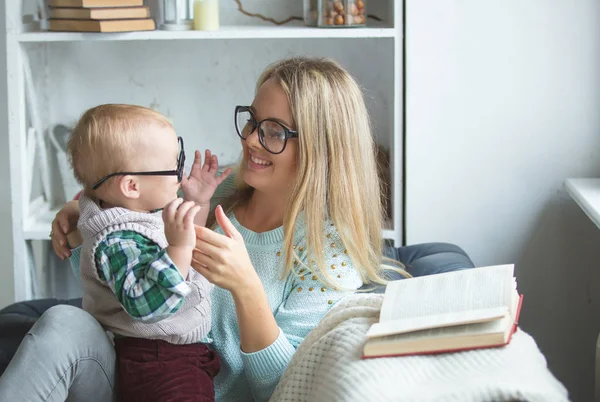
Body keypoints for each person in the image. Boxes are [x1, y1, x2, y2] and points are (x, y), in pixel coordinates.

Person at [0, 56, 404, 402]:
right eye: (252, 120)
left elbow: (281, 387)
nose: (250, 140)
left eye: (274, 131)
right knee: (61, 321)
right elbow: (123, 272)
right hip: (126, 366)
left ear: (322, 148)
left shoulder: (328, 255)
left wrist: (247, 288)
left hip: (190, 389)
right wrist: (86, 218)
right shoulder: (224, 189)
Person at [64, 104, 225, 401]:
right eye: (173, 167)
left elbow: (188, 253)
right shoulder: (118, 241)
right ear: (132, 186)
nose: (180, 174)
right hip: (159, 360)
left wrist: (197, 203)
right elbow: (148, 306)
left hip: (170, 353)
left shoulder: (136, 213)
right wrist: (177, 246)